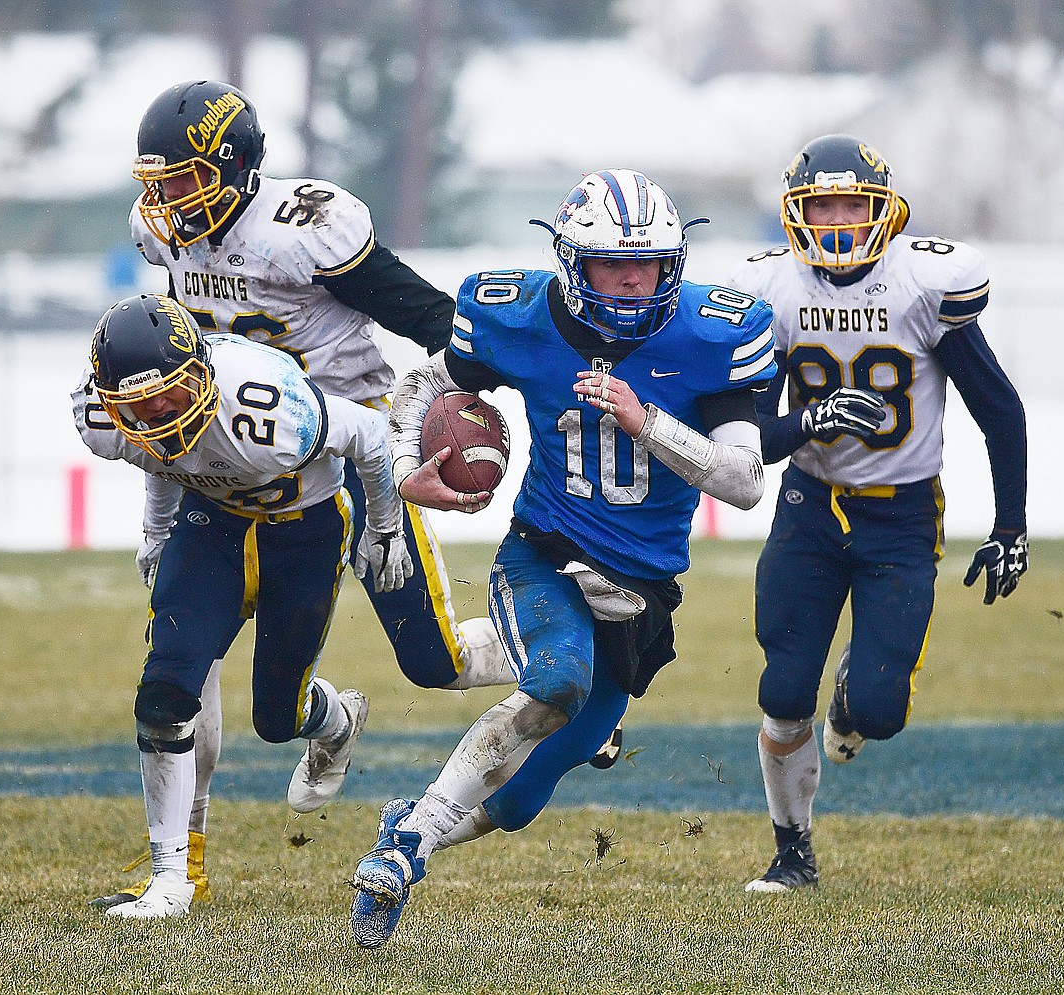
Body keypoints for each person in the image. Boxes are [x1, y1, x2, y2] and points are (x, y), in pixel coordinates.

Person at [91, 79, 518, 910]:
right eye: (158, 182)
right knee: (184, 663)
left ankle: (556, 655)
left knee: (436, 661)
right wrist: (160, 510)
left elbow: (419, 310)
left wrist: (502, 368)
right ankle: (182, 868)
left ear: (237, 168)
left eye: (183, 178)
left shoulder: (303, 232)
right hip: (225, 459)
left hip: (344, 456)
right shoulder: (161, 233)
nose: (166, 200)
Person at [346, 167, 778, 948]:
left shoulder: (712, 334)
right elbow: (422, 382)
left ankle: (416, 821)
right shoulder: (518, 318)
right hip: (545, 549)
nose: (631, 279)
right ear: (570, 263)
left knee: (518, 800)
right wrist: (410, 462)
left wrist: (650, 423)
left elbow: (746, 482)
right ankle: (402, 853)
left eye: (645, 262)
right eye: (612, 262)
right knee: (557, 676)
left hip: (642, 586)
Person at [726, 134, 1028, 893]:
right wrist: (815, 418)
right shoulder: (774, 292)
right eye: (819, 204)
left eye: (849, 204)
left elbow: (1000, 411)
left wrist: (1011, 526)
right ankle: (792, 852)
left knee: (879, 709)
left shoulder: (923, 285)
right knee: (782, 689)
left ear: (881, 210)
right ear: (796, 211)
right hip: (810, 508)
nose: (834, 220)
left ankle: (852, 705)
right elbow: (752, 441)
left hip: (901, 514)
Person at [72, 293, 411, 918]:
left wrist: (384, 528)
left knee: (277, 716)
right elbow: (165, 456)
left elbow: (368, 434)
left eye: (170, 392)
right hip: (213, 529)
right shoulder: (106, 419)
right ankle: (171, 880)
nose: (159, 411)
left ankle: (335, 719)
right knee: (166, 693)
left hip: (302, 527)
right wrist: (157, 531)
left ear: (199, 370)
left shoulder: (268, 404)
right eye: (137, 405)